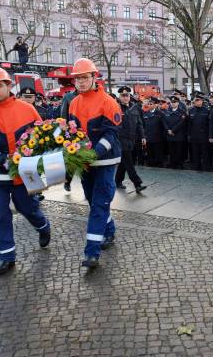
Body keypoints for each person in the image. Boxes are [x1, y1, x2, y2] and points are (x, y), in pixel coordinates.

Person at [0, 66, 51, 276]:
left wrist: (36, 159)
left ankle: (42, 226)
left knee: (28, 208)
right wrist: (0, 160)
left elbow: (40, 137)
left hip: (26, 173)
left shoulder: (27, 109)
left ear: (8, 86)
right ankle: (6, 256)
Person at [68, 58, 122, 269]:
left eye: (84, 78)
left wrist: (94, 153)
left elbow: (111, 133)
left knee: (99, 204)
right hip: (85, 161)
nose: (80, 82)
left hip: (106, 161)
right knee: (93, 201)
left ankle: (92, 252)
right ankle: (109, 230)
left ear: (94, 77)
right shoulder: (73, 102)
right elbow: (71, 133)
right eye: (77, 79)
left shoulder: (108, 101)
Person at [115, 86, 146, 192]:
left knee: (124, 162)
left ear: (130, 96)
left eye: (127, 95)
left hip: (132, 139)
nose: (125, 98)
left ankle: (117, 181)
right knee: (129, 163)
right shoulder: (116, 107)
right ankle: (137, 184)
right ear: (119, 97)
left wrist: (142, 136)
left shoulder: (135, 107)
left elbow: (139, 124)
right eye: (123, 96)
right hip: (121, 139)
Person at [187, 93, 211, 171]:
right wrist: (189, 135)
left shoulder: (206, 110)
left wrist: (209, 135)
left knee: (205, 153)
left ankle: (205, 167)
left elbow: (209, 124)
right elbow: (189, 124)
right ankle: (196, 166)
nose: (197, 102)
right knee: (195, 152)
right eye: (195, 100)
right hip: (194, 135)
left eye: (198, 100)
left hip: (204, 135)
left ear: (202, 101)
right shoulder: (191, 110)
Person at [163, 95, 187, 169]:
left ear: (178, 103)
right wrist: (168, 130)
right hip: (169, 135)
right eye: (172, 102)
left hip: (178, 135)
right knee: (171, 150)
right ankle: (172, 163)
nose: (173, 103)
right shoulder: (167, 111)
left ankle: (179, 164)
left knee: (179, 150)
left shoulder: (182, 112)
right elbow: (164, 122)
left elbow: (181, 123)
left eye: (175, 102)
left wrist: (173, 130)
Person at [143, 97, 165, 167]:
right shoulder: (145, 113)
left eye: (151, 104)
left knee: (158, 151)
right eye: (149, 104)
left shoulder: (160, 113)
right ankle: (150, 163)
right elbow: (143, 125)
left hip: (157, 136)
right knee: (150, 151)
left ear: (155, 105)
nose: (149, 105)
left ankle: (159, 163)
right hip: (148, 136)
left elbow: (163, 125)